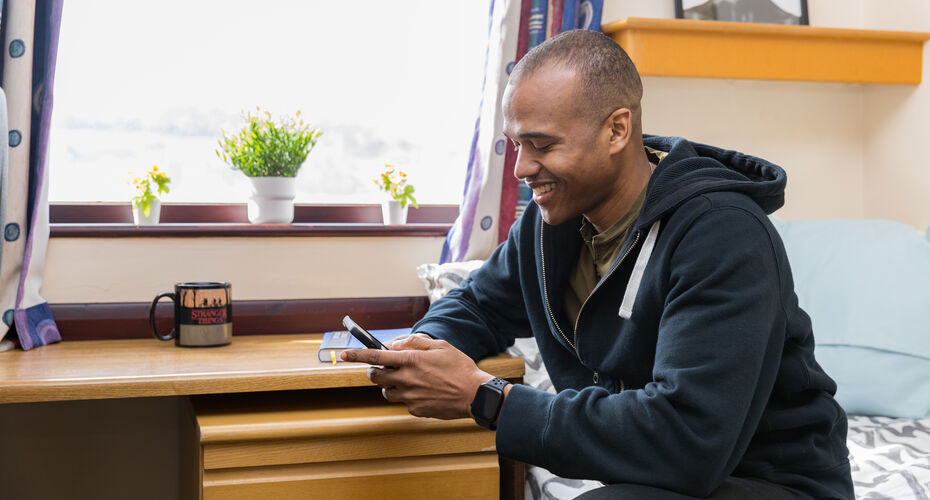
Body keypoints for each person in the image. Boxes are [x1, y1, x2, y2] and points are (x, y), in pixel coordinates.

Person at [341, 29, 854, 499]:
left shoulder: (722, 233)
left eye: (541, 145)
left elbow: (687, 441)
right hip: (660, 478)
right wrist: (424, 350)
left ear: (616, 131)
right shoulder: (550, 226)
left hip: (769, 483)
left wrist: (488, 397)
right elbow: (479, 305)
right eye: (517, 145)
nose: (521, 169)